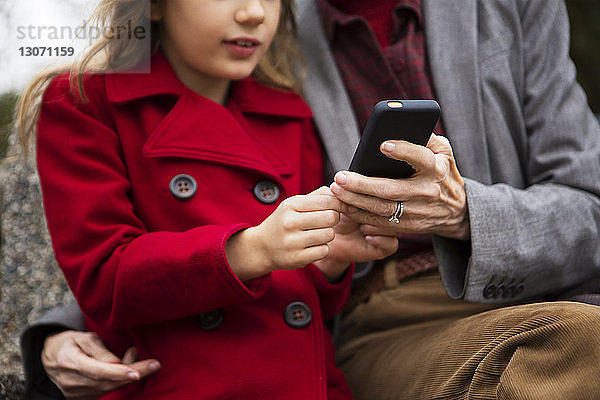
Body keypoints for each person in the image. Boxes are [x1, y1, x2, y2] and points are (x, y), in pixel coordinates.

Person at [20, 0, 600, 398]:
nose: (253, 10)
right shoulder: (101, 99)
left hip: (531, 287)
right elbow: (114, 255)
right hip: (371, 322)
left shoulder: (280, 102)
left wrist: (454, 215)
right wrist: (51, 336)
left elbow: (588, 198)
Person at [15, 0, 400, 399]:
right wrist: (249, 250)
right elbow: (103, 280)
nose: (254, 13)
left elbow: (304, 306)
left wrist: (328, 259)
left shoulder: (288, 112)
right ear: (156, 6)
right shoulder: (86, 101)